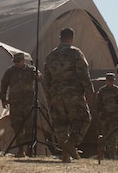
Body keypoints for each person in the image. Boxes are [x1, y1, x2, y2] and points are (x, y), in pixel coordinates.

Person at [43, 27, 94, 163]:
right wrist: (89, 91)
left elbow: (46, 78)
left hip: (55, 94)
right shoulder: (75, 53)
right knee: (84, 118)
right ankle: (71, 144)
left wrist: (49, 97)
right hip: (72, 93)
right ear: (72, 38)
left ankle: (66, 155)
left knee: (61, 124)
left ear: (60, 38)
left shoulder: (50, 56)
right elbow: (83, 73)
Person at [0, 52, 41, 158]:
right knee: (17, 127)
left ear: (23, 61)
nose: (16, 64)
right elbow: (4, 84)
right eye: (15, 62)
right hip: (15, 104)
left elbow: (39, 77)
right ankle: (20, 150)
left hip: (28, 104)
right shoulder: (10, 71)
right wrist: (3, 99)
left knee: (29, 127)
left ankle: (29, 149)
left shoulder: (31, 70)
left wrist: (38, 76)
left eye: (18, 61)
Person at [96, 72, 118, 159]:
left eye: (111, 80)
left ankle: (112, 155)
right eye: (108, 80)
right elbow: (98, 103)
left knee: (113, 136)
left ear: (114, 81)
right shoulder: (102, 91)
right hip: (104, 116)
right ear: (106, 80)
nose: (110, 82)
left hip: (114, 117)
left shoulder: (117, 91)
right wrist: (98, 113)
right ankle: (102, 154)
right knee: (102, 135)